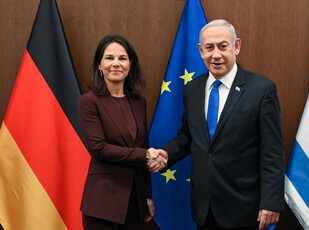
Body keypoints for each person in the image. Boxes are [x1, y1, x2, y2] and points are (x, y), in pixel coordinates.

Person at [147, 19, 285, 230]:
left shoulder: (262, 89)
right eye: (209, 48)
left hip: (245, 208)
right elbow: (188, 136)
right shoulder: (192, 89)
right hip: (204, 207)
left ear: (236, 46)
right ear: (200, 51)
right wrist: (167, 154)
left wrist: (271, 202)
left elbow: (272, 152)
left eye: (223, 46)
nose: (216, 55)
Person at [78, 35, 165, 230]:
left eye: (122, 58)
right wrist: (145, 154)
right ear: (99, 65)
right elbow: (99, 149)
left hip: (135, 200)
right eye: (109, 58)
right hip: (103, 203)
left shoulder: (138, 102)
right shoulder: (89, 102)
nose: (116, 64)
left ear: (130, 64)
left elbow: (143, 145)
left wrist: (147, 196)